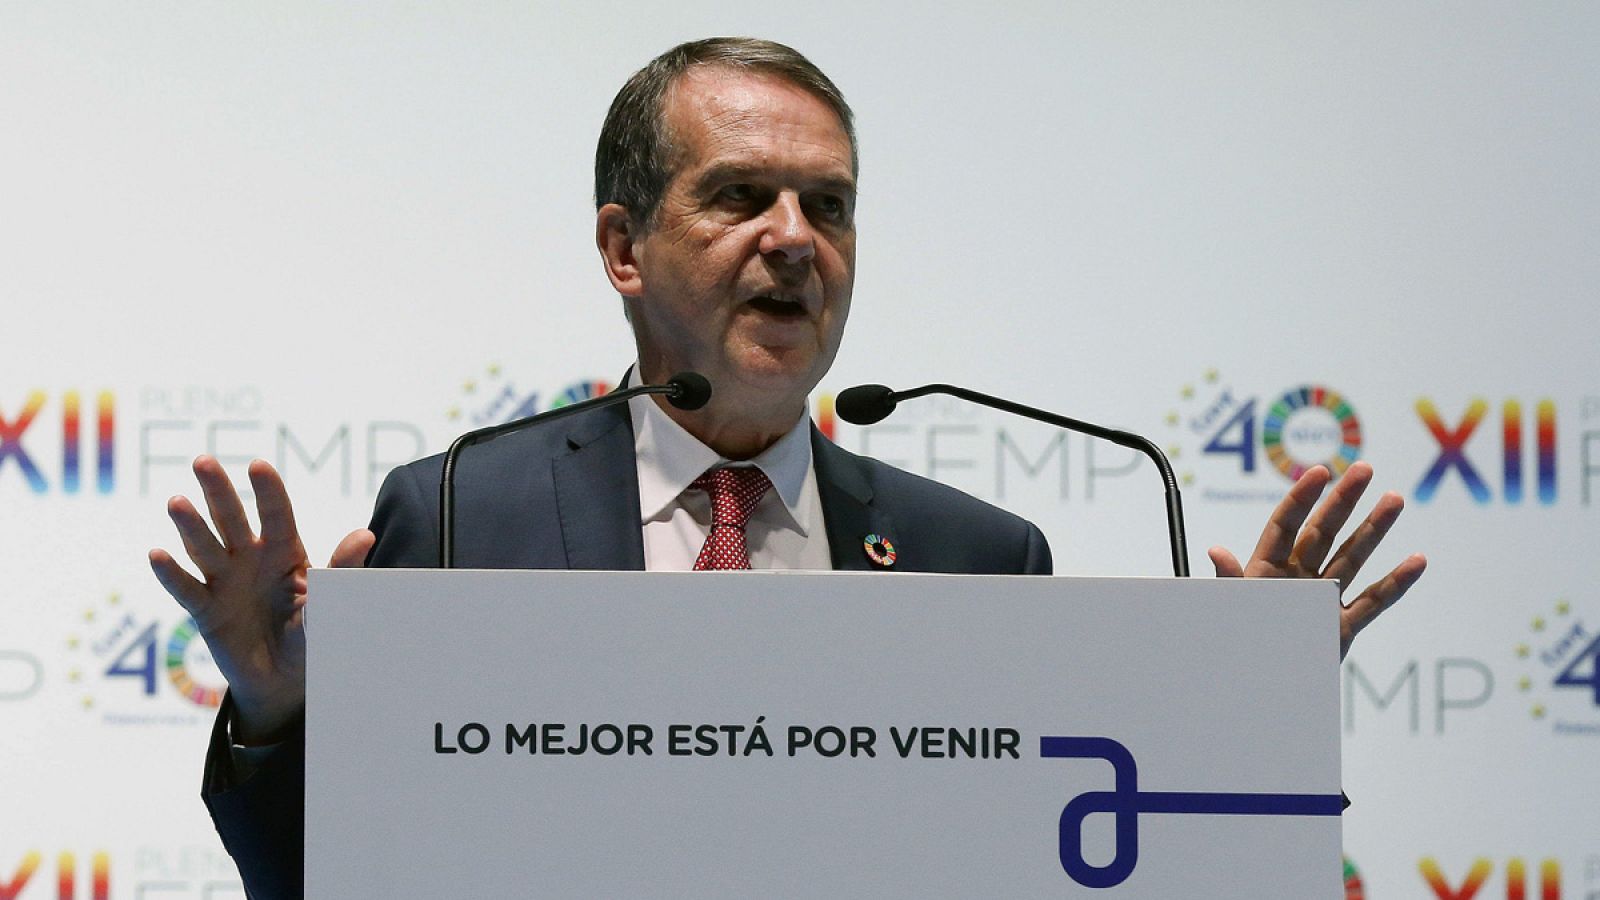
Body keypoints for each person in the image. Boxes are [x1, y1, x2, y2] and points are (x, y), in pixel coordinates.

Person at [149, 37, 1427, 899]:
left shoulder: (978, 561)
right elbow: (338, 879)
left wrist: (1235, 715)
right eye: (741, 194)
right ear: (623, 245)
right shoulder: (458, 510)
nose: (794, 240)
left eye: (828, 203)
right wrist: (280, 715)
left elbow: (1081, 859)